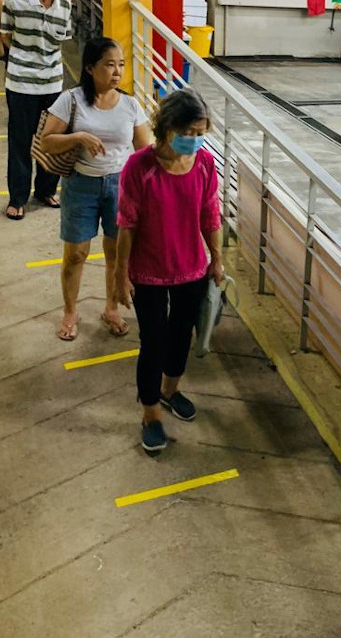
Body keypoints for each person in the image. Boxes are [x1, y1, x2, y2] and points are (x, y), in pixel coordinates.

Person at [114, 88, 223, 454]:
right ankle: (150, 413)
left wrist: (217, 259)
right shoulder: (139, 167)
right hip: (148, 273)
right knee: (153, 342)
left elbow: (211, 216)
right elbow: (126, 223)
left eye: (200, 132)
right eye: (187, 132)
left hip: (192, 269)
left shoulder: (206, 165)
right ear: (167, 128)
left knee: (181, 338)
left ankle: (170, 390)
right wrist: (120, 275)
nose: (194, 140)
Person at [41, 38, 152, 341]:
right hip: (80, 185)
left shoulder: (130, 104)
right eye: (109, 64)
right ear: (90, 68)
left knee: (116, 253)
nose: (117, 72)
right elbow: (47, 140)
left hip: (120, 186)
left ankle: (111, 308)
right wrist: (78, 137)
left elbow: (146, 150)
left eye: (121, 65)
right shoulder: (71, 99)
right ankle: (69, 311)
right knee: (76, 253)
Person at [0, 0, 72, 220]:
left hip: (53, 83)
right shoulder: (14, 0)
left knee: (50, 139)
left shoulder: (64, 2)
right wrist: (25, 60)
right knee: (20, 141)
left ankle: (45, 190)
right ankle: (17, 198)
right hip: (21, 84)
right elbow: (6, 36)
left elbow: (63, 38)